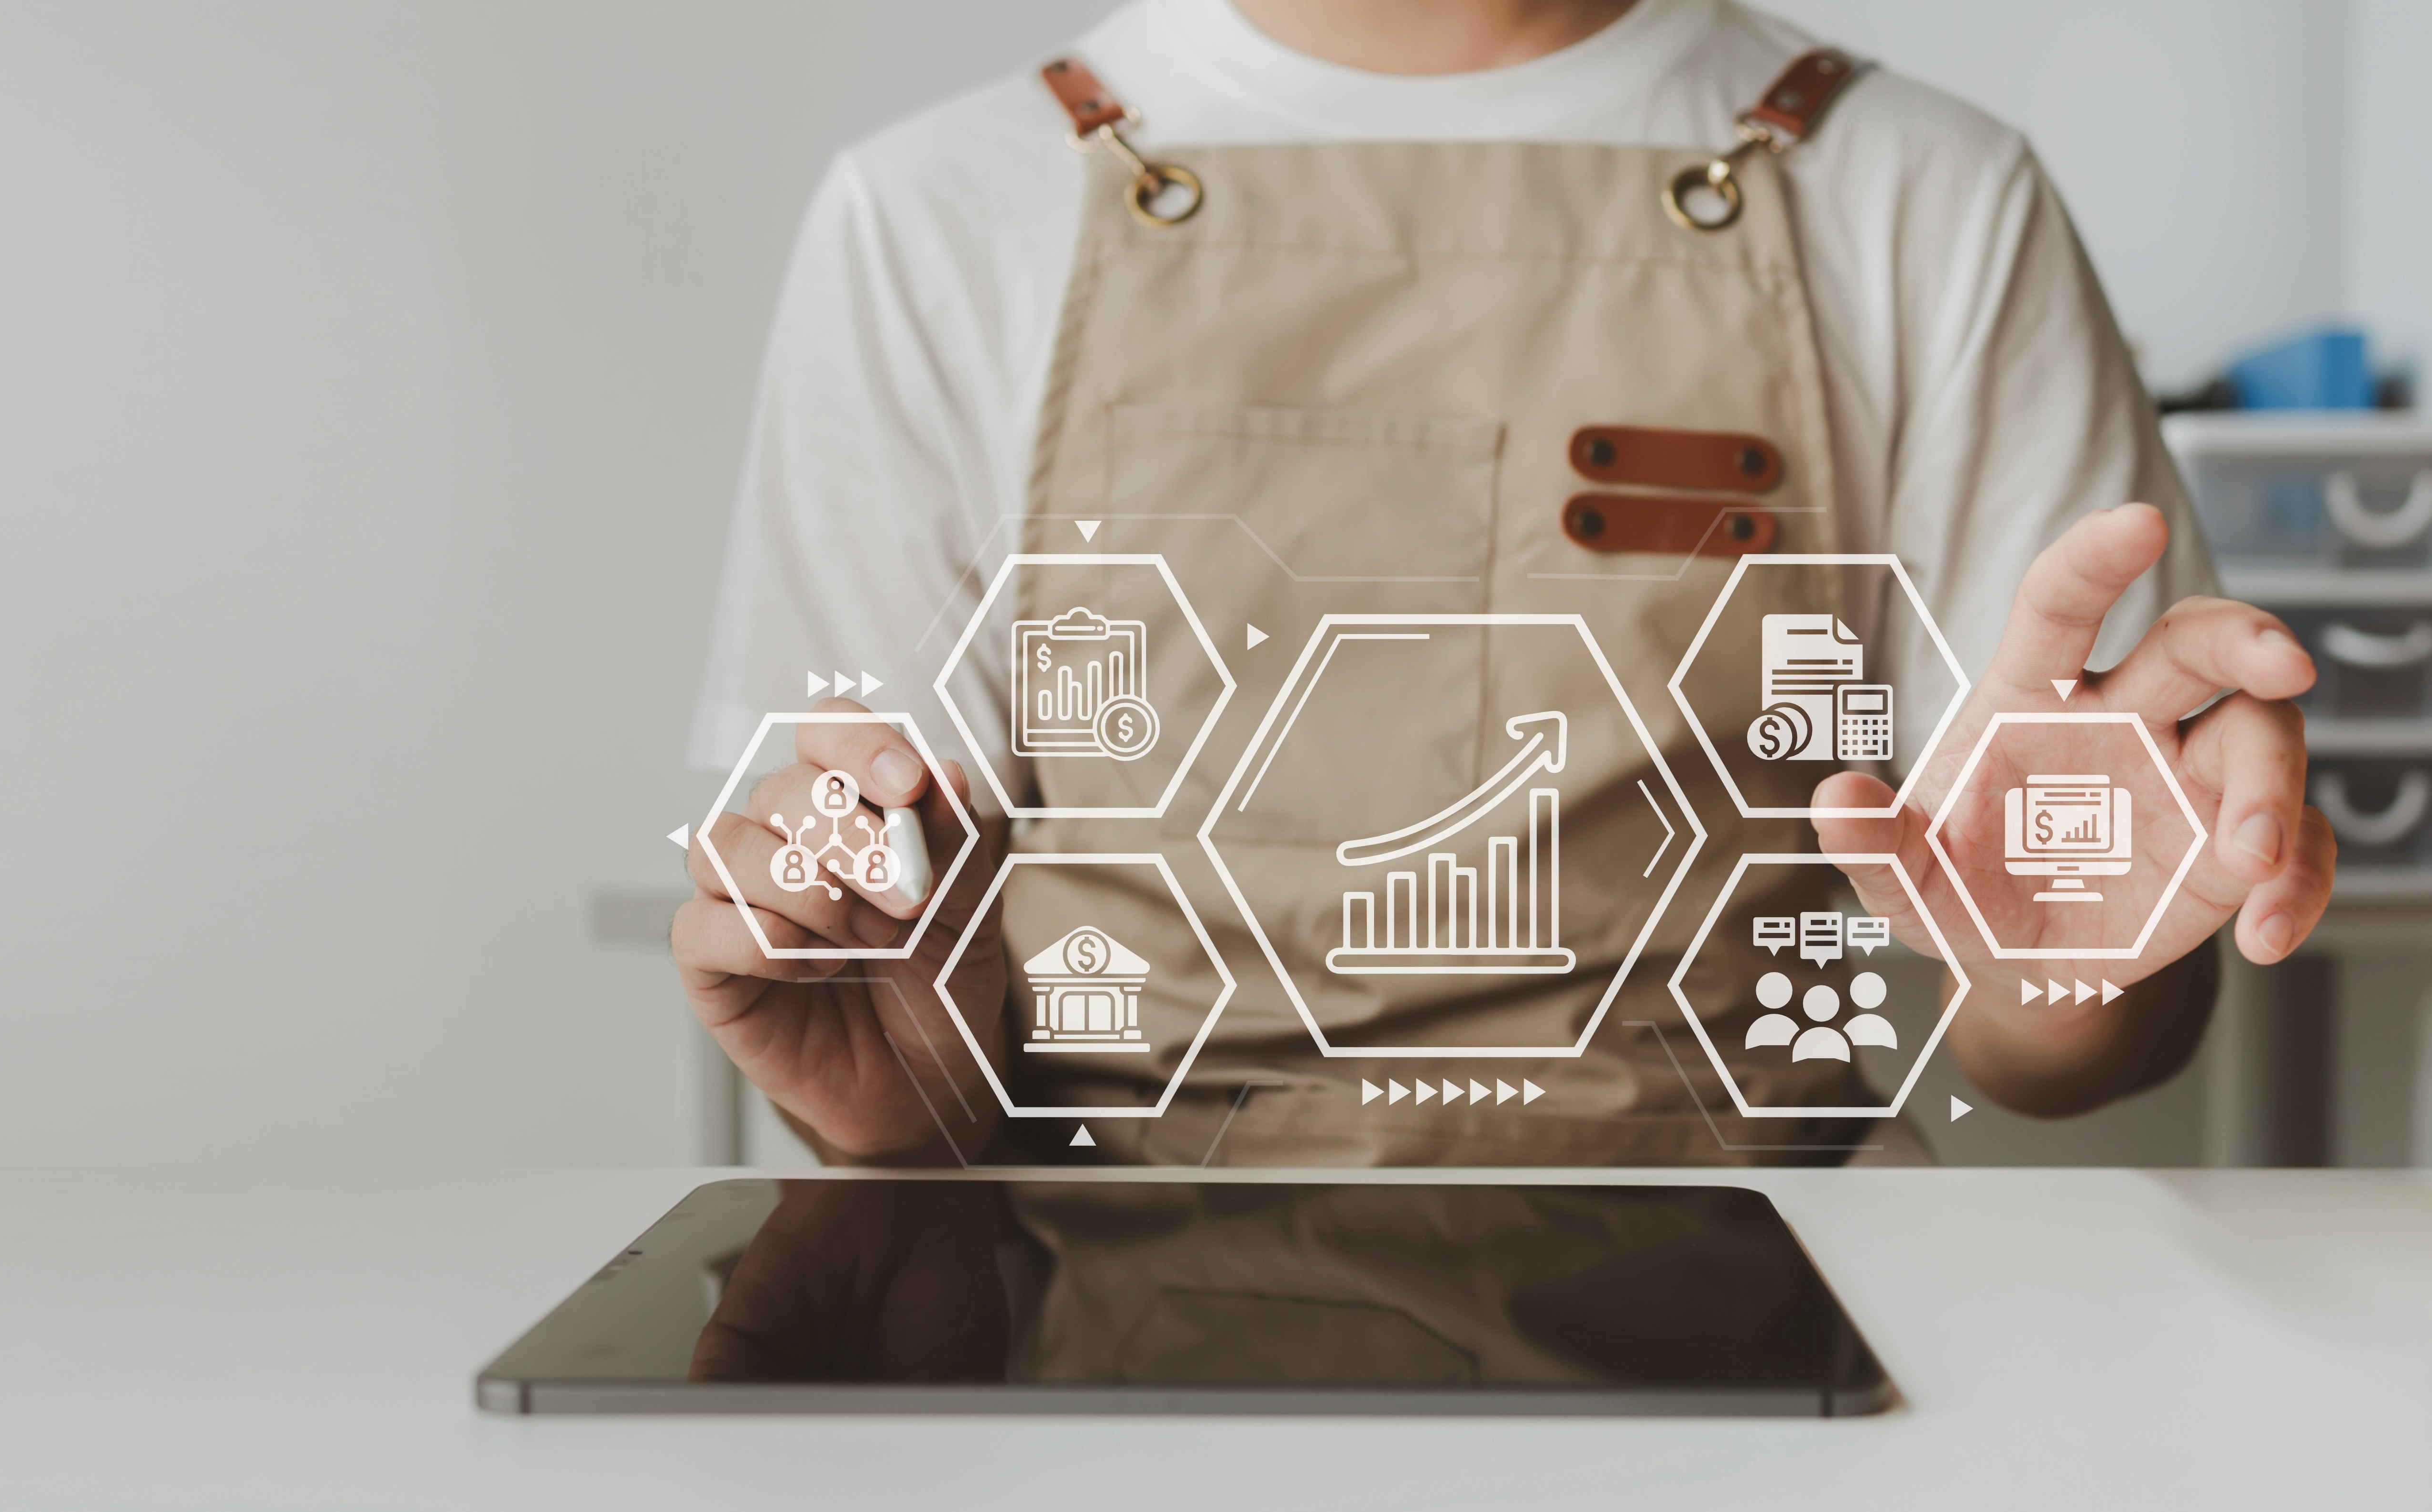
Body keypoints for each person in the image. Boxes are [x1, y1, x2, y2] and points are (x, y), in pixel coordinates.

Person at [673, 0, 2336, 1167]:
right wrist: (894, 1092)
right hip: (1083, 1305)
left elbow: (2068, 1042)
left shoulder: (1929, 196)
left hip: (1761, 1290)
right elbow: (875, 1014)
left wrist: (2067, 965)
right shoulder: (935, 213)